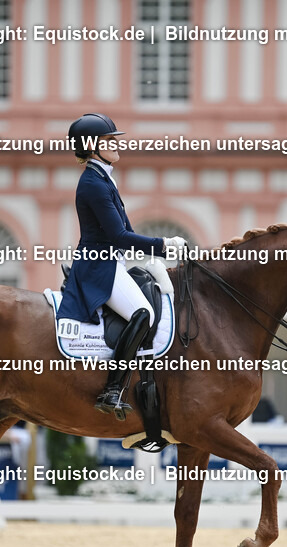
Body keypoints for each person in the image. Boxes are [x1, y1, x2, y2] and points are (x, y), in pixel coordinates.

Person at [58, 113, 187, 419]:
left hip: (110, 261)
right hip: (98, 266)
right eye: (109, 140)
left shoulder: (103, 178)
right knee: (143, 313)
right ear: (92, 146)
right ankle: (112, 389)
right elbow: (119, 236)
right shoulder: (93, 184)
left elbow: (123, 233)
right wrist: (163, 245)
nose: (117, 144)